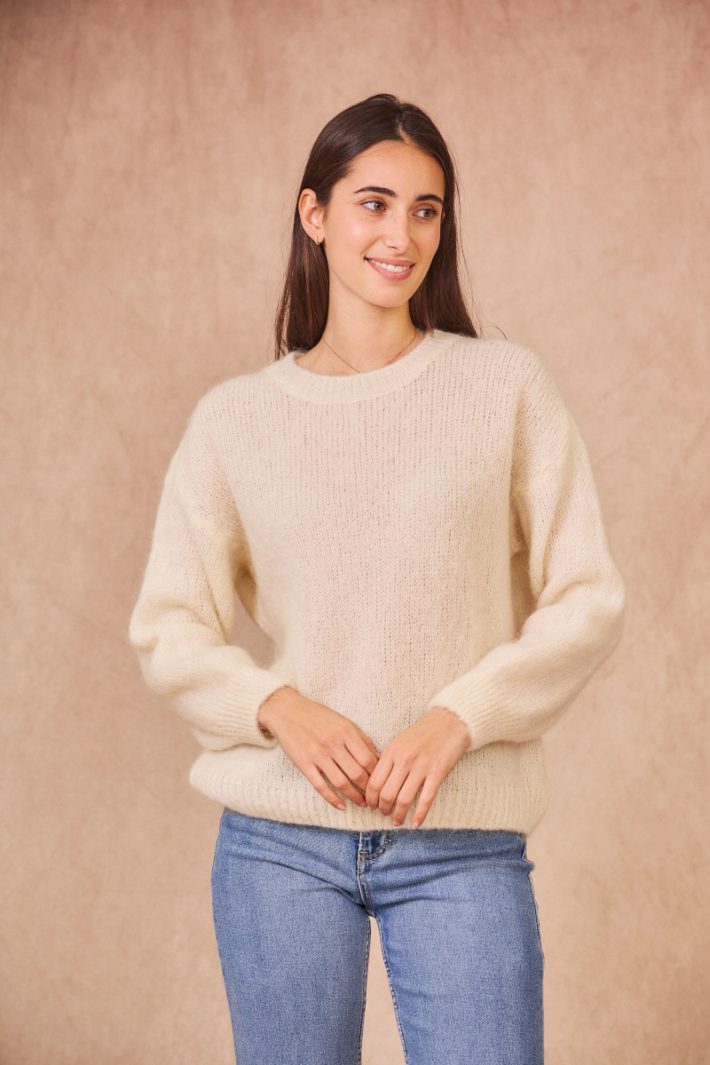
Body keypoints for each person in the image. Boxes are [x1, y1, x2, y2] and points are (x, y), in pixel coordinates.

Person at [127, 92, 626, 1065]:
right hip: (278, 841)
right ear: (313, 214)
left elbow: (587, 598)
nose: (401, 235)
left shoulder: (504, 388)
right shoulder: (235, 421)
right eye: (374, 203)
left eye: (425, 209)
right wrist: (276, 706)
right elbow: (169, 625)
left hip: (461, 838)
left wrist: (460, 716)